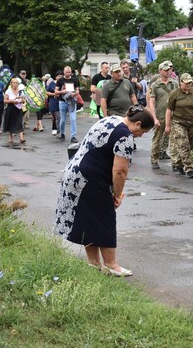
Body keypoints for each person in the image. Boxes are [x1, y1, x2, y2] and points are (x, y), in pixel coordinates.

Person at [54, 105, 154, 276]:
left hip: (75, 173)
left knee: (90, 220)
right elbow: (120, 171)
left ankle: (93, 263)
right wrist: (117, 194)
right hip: (91, 179)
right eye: (143, 132)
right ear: (137, 124)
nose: (141, 135)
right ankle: (111, 265)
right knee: (104, 218)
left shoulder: (110, 120)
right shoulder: (125, 136)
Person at [165, 73, 193, 178]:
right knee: (183, 143)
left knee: (189, 145)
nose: (188, 84)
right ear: (181, 83)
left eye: (190, 82)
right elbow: (169, 110)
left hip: (192, 122)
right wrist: (167, 125)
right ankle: (189, 168)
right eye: (186, 83)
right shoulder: (174, 93)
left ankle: (179, 163)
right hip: (178, 122)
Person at [149, 61, 178, 169]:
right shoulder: (155, 85)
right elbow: (151, 103)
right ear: (160, 71)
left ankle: (175, 162)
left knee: (174, 140)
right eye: (165, 70)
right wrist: (154, 118)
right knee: (157, 139)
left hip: (173, 116)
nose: (168, 72)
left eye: (169, 70)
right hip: (160, 116)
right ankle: (154, 159)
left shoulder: (174, 83)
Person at [55, 66, 80, 143]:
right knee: (63, 119)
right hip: (63, 101)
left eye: (69, 72)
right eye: (66, 72)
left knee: (73, 119)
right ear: (64, 72)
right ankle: (62, 133)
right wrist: (63, 92)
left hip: (72, 101)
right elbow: (56, 91)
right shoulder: (60, 80)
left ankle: (73, 136)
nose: (68, 74)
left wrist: (74, 94)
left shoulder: (74, 80)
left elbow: (77, 91)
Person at [2, 78, 26, 144]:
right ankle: (10, 137)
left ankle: (21, 137)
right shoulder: (8, 91)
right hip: (11, 108)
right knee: (10, 122)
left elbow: (24, 100)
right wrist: (12, 101)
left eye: (16, 83)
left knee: (19, 122)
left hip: (18, 108)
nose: (15, 84)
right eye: (14, 83)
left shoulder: (21, 91)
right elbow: (5, 101)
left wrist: (21, 100)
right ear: (11, 84)